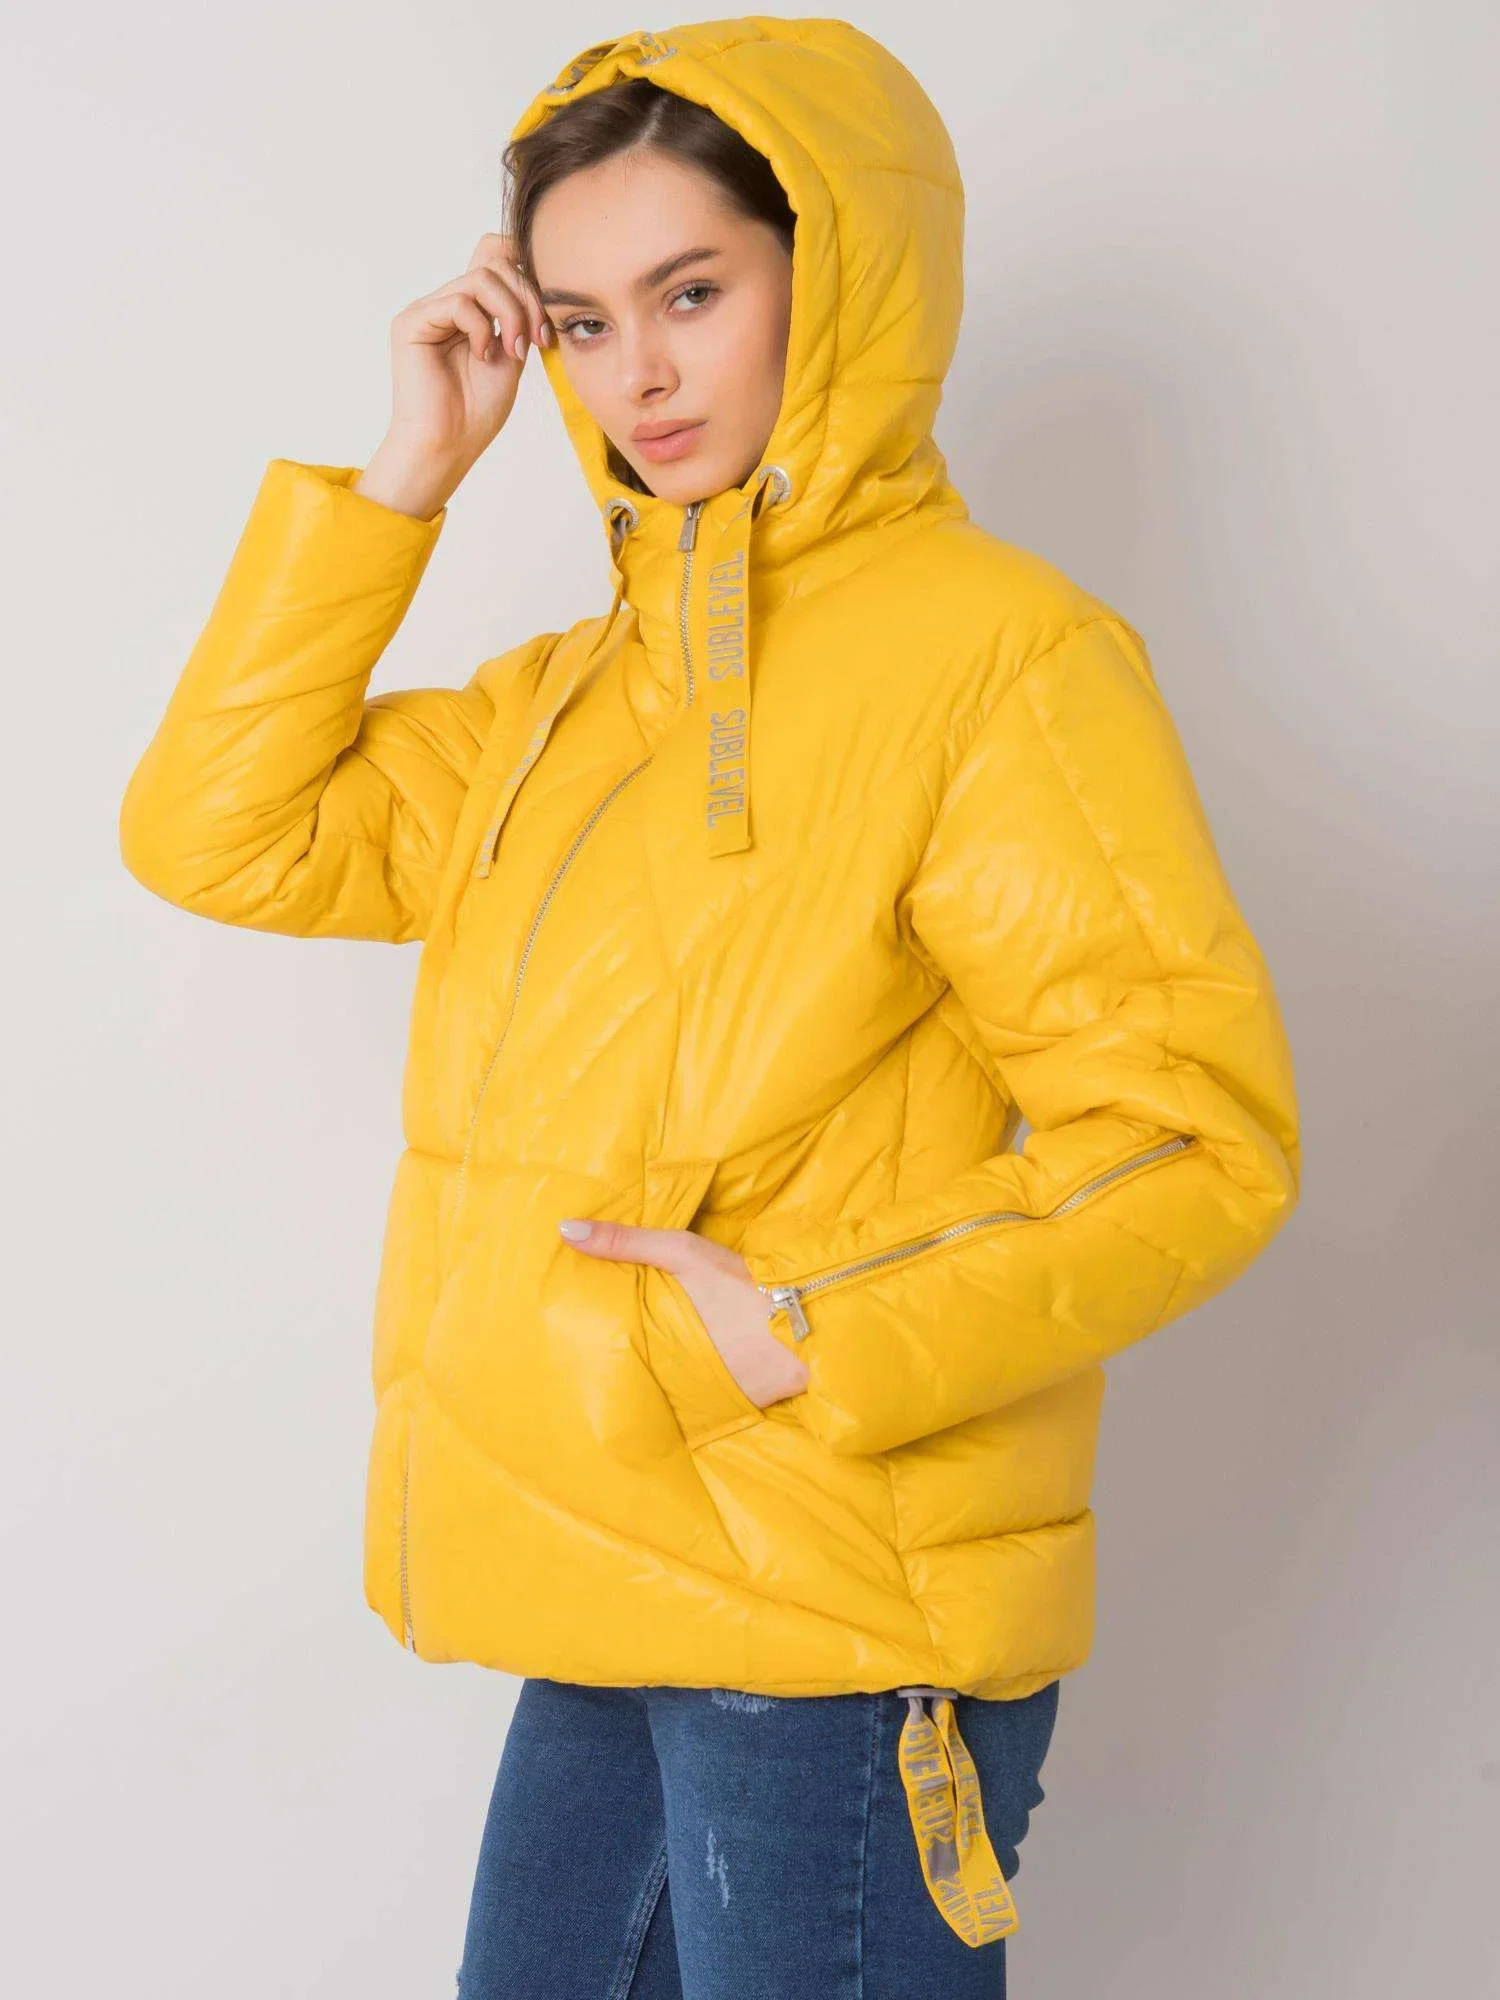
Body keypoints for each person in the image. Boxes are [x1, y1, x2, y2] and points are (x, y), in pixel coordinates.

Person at [117, 19, 1301, 1999]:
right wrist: (404, 477)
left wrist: (798, 1325)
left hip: (836, 1615)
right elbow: (215, 832)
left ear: (836, 279)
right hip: (599, 1588)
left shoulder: (1001, 662)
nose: (639, 376)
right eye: (582, 321)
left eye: (692, 293)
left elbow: (1194, 1139)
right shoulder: (563, 700)